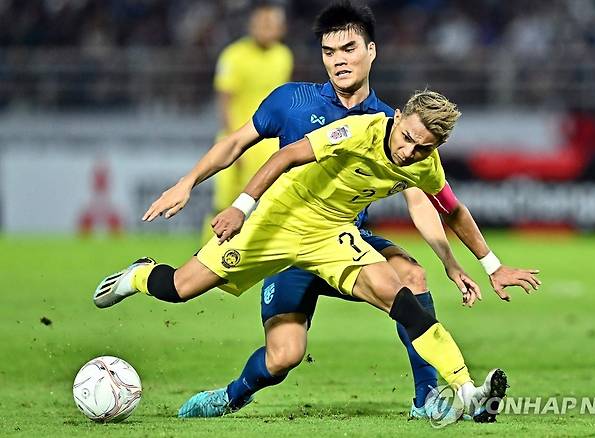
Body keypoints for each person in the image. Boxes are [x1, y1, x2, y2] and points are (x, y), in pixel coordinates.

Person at [94, 89, 541, 425]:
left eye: (423, 148)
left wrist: (492, 266)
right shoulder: (361, 129)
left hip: (332, 235)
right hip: (276, 221)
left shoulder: (424, 163)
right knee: (180, 288)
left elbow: (453, 208)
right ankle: (139, 274)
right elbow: (286, 155)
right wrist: (240, 206)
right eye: (407, 138)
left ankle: (463, 390)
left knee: (399, 289)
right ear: (398, 117)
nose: (409, 152)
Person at [206, 1, 292, 243]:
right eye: (261, 23)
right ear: (251, 25)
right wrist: (234, 141)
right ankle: (203, 256)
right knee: (223, 203)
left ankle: (248, 256)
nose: (266, 29)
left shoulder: (283, 56)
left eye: (272, 24)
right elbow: (224, 101)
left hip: (266, 141)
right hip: (234, 136)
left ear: (281, 28)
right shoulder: (233, 55)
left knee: (264, 204)